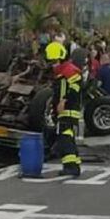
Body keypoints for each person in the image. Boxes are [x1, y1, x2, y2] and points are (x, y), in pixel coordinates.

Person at [46, 40, 82, 177]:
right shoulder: (61, 71)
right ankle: (72, 165)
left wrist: (64, 101)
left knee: (65, 138)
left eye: (53, 60)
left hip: (69, 110)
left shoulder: (69, 70)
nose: (52, 64)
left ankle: (71, 167)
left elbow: (76, 87)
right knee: (67, 138)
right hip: (64, 111)